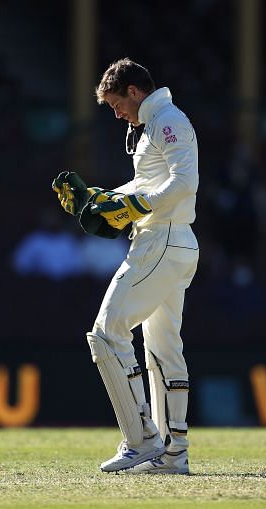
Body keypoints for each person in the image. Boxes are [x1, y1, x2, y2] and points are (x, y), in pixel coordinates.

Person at [53, 58, 199, 474]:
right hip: (169, 240)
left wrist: (131, 206)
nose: (117, 113)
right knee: (163, 348)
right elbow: (150, 183)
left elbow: (185, 183)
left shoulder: (168, 120)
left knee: (106, 333)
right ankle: (175, 453)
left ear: (135, 91)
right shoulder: (150, 125)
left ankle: (141, 440)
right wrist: (102, 198)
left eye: (118, 104)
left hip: (163, 240)